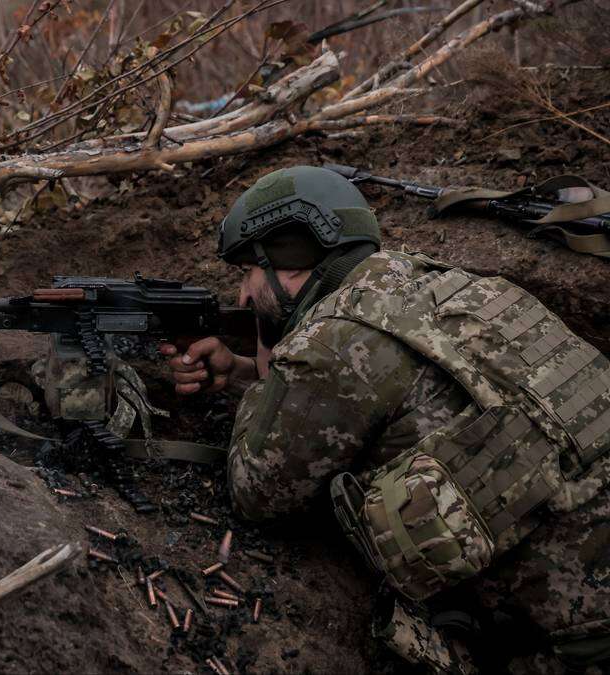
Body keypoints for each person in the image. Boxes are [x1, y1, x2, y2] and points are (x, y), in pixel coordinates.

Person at [161, 165, 610, 672]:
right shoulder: (450, 286)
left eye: (249, 269)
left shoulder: (333, 343)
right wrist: (243, 369)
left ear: (290, 259)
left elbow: (258, 493)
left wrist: (270, 358)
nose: (243, 295)